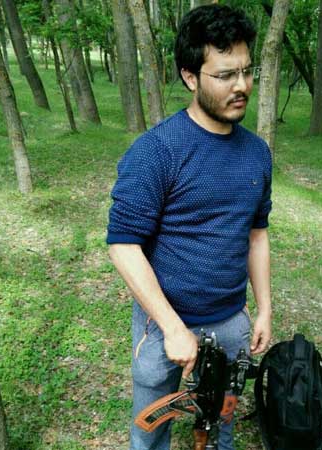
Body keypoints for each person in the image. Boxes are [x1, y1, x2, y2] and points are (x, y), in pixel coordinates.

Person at [106, 5, 273, 450]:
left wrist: (264, 309)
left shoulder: (257, 154)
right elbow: (123, 246)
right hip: (163, 324)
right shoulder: (156, 151)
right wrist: (172, 327)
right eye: (225, 75)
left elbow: (257, 234)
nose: (241, 86)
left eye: (247, 71)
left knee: (221, 424)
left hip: (231, 321)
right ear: (190, 77)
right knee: (149, 430)